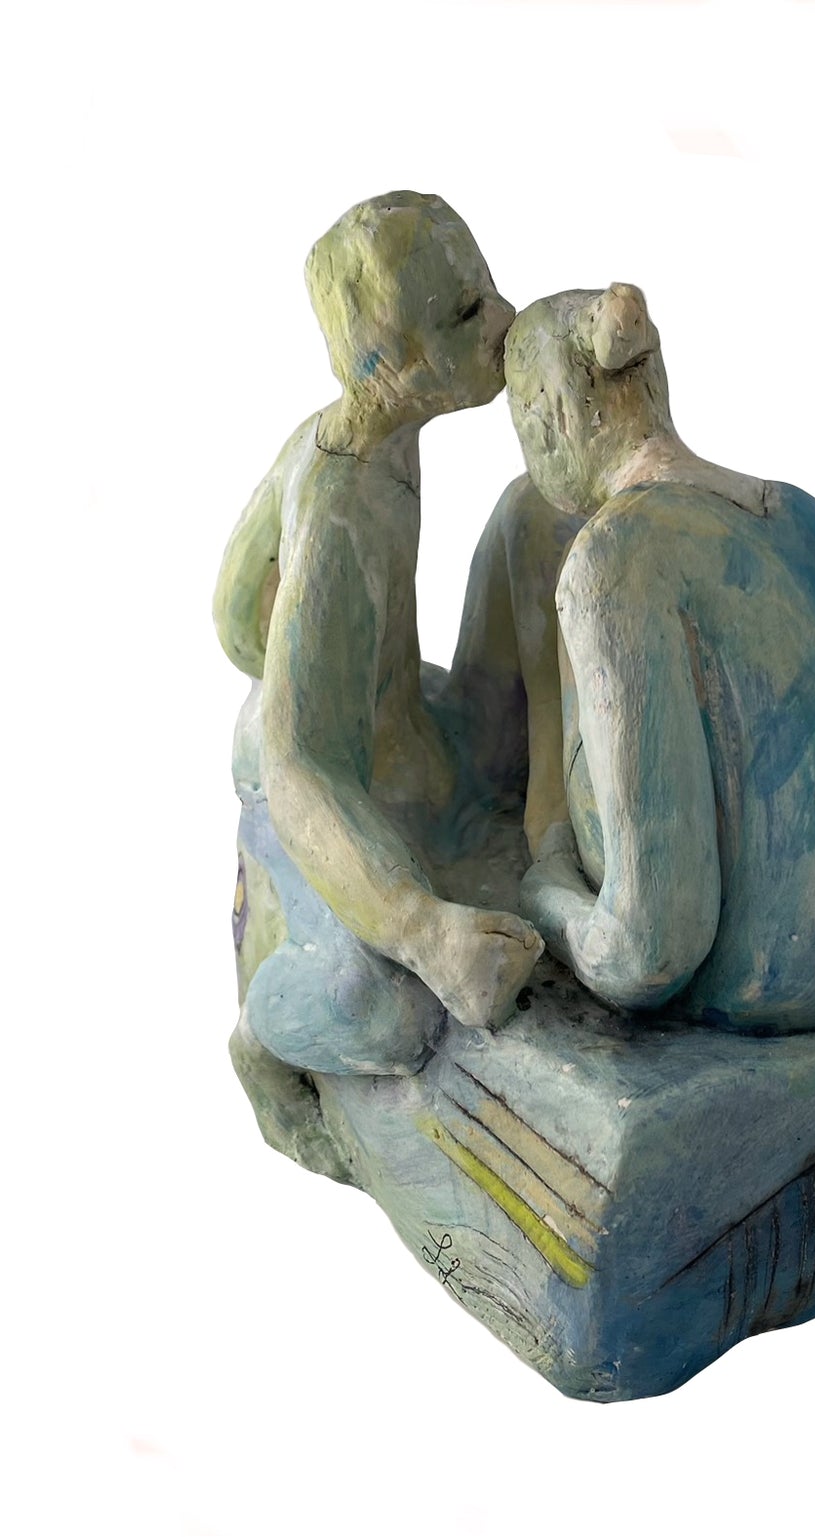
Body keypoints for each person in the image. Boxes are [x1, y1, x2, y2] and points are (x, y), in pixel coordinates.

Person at [509, 284, 815, 1030]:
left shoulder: (611, 561)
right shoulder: (811, 515)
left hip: (798, 995)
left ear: (547, 424)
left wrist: (544, 891)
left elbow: (649, 952)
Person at [213, 193, 539, 1114]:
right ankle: (263, 1042)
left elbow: (231, 609)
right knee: (386, 1012)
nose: (505, 321)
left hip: (397, 733)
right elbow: (299, 762)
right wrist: (423, 930)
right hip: (325, 771)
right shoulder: (339, 505)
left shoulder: (370, 438)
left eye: (488, 293)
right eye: (467, 315)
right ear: (389, 364)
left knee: (531, 514)